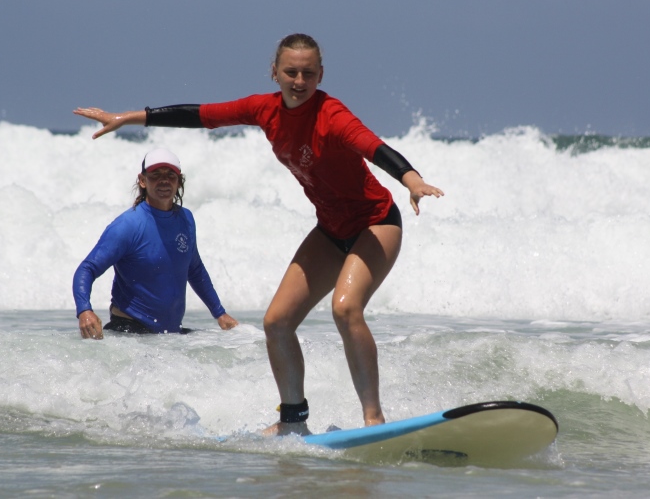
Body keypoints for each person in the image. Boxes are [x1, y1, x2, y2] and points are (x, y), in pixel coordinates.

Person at [73, 33, 443, 435]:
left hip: (376, 221)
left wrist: (411, 179)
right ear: (275, 72)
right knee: (277, 322)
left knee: (346, 308)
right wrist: (130, 118)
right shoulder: (264, 110)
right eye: (290, 72)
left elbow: (374, 147)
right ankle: (293, 421)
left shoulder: (332, 115)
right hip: (331, 229)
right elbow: (203, 115)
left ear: (321, 74)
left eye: (308, 73)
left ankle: (374, 418)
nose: (299, 81)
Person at [73, 148, 238, 339]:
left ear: (179, 181)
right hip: (130, 333)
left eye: (170, 175)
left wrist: (220, 313)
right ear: (142, 181)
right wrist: (84, 311)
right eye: (155, 175)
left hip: (168, 334)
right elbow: (87, 268)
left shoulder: (186, 218)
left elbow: (194, 269)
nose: (164, 181)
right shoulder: (128, 225)